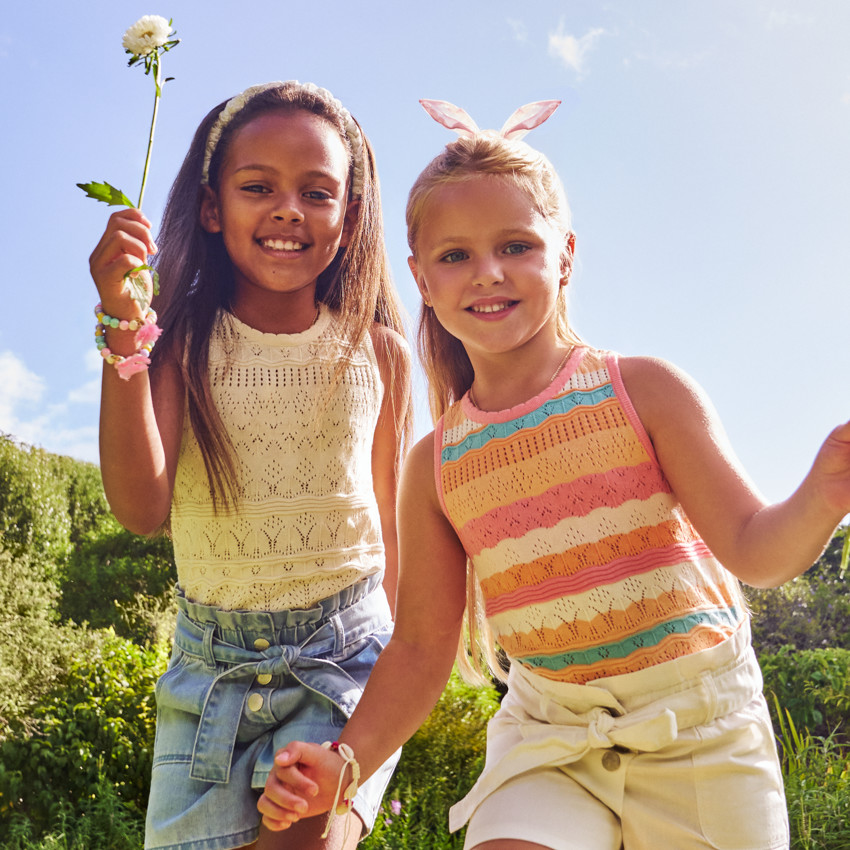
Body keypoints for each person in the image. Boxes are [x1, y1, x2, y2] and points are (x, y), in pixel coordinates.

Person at [256, 98, 850, 850]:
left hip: (701, 728)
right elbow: (418, 649)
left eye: (515, 246)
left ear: (564, 254)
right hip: (551, 733)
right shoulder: (433, 466)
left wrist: (825, 493)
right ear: (422, 281)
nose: (488, 273)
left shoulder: (643, 390)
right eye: (455, 256)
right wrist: (346, 762)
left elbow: (756, 549)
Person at [88, 80, 412, 850]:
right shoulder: (179, 346)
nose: (288, 208)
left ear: (350, 215)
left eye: (317, 192)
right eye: (257, 187)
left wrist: (390, 700)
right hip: (210, 679)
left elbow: (395, 532)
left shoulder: (378, 355)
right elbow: (141, 507)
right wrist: (123, 329)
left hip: (347, 660)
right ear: (211, 208)